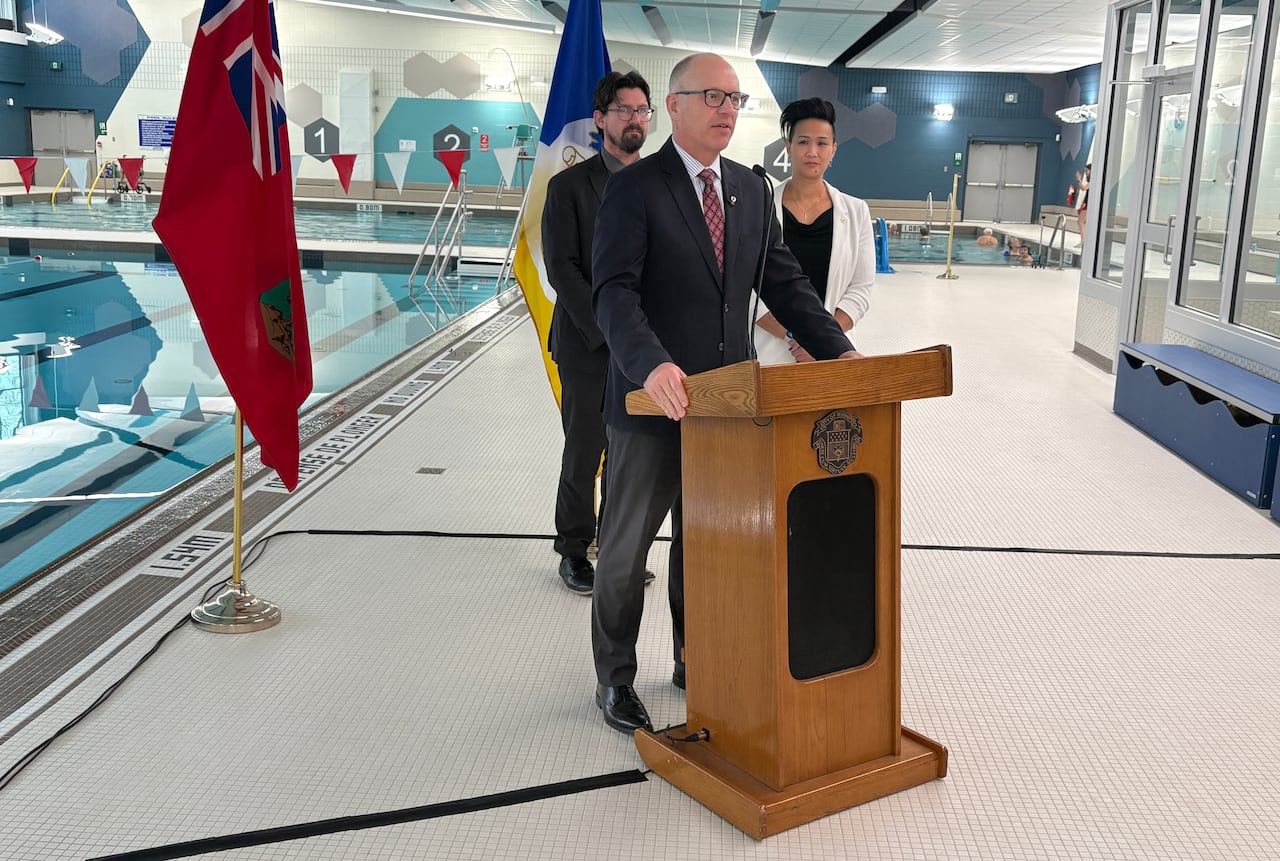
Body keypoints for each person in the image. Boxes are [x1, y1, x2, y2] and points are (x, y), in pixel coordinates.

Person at [589, 53, 861, 733]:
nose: (726, 110)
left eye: (735, 99)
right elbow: (614, 293)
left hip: (727, 409)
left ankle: (696, 656)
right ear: (674, 105)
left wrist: (841, 352)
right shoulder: (636, 187)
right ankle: (615, 678)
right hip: (654, 405)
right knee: (624, 550)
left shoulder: (749, 188)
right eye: (712, 96)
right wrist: (651, 364)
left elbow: (784, 283)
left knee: (706, 546)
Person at [541, 71, 655, 595]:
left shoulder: (660, 184)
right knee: (585, 452)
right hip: (589, 344)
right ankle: (572, 549)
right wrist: (610, 328)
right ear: (600, 119)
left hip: (642, 349)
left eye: (642, 110)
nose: (635, 119)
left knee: (630, 454)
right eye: (624, 110)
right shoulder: (569, 188)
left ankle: (615, 549)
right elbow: (562, 269)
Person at [753, 97, 873, 366]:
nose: (812, 152)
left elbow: (861, 288)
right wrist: (797, 337)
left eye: (822, 143)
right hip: (770, 350)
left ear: (833, 150)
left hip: (834, 355)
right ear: (789, 147)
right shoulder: (760, 206)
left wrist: (823, 342)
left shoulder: (856, 211)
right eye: (803, 142)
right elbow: (746, 288)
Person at [1074, 163, 1091, 239]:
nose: (1085, 172)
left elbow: (1083, 188)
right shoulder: (1091, 181)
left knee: (1080, 221)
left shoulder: (1093, 181)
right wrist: (1084, 203)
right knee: (1082, 222)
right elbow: (1086, 191)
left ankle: (1083, 241)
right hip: (1088, 204)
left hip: (1089, 205)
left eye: (1087, 170)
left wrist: (1079, 180)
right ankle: (1084, 240)